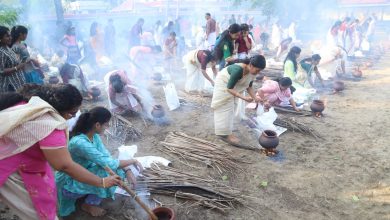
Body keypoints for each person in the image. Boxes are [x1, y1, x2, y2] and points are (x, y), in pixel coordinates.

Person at [0, 84, 121, 220]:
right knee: (39, 214)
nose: (72, 118)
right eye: (72, 113)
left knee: (47, 199)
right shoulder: (51, 126)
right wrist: (102, 182)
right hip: (9, 167)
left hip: (24, 161)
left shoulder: (33, 105)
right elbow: (64, 166)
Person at [56, 107, 143, 217]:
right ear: (97, 125)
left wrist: (127, 169)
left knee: (115, 171)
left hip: (85, 173)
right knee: (107, 173)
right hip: (69, 182)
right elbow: (109, 164)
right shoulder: (80, 143)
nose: (108, 127)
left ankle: (88, 196)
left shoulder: (94, 136)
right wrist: (133, 160)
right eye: (107, 124)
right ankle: (88, 205)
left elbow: (107, 158)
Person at [211, 55, 266, 146]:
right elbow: (229, 88)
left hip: (232, 87)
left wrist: (256, 98)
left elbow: (249, 86)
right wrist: (244, 98)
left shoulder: (252, 72)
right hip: (224, 85)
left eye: (260, 71)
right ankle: (224, 134)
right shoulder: (238, 70)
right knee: (225, 109)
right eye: (257, 70)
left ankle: (227, 130)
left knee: (232, 108)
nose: (258, 73)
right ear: (251, 65)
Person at [0, 26, 26, 92]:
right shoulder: (1, 51)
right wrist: (17, 67)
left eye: (10, 36)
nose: (10, 38)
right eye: (7, 36)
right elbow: (1, 71)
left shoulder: (7, 48)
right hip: (10, 86)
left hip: (18, 84)